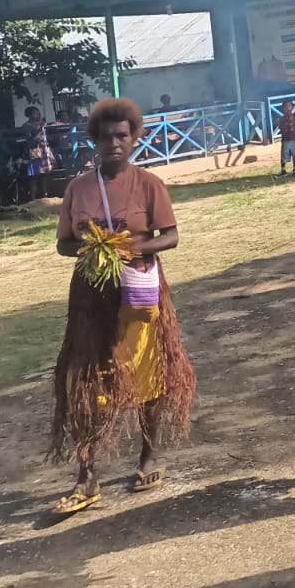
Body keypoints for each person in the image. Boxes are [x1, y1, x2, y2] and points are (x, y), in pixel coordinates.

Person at [50, 98, 194, 515]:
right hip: (91, 296)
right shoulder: (78, 188)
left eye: (122, 136)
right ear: (94, 140)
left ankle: (148, 455)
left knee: (147, 368)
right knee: (85, 379)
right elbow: (63, 243)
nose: (114, 143)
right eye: (106, 136)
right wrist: (92, 248)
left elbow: (170, 235)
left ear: (134, 139)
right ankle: (86, 475)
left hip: (140, 293)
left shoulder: (149, 184)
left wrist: (132, 249)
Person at [21, 106, 56, 201]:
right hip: (35, 152)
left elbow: (46, 138)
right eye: (35, 113)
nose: (38, 114)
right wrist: (41, 129)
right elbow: (30, 141)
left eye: (38, 112)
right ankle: (33, 198)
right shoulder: (27, 125)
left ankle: (45, 196)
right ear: (29, 115)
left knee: (44, 174)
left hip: (44, 151)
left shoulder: (40, 125)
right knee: (34, 176)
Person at [277, 106, 295, 177]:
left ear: (292, 107)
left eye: (289, 106)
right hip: (286, 139)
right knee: (284, 154)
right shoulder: (281, 119)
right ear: (283, 109)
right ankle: (283, 170)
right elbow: (281, 128)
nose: (288, 108)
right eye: (286, 107)